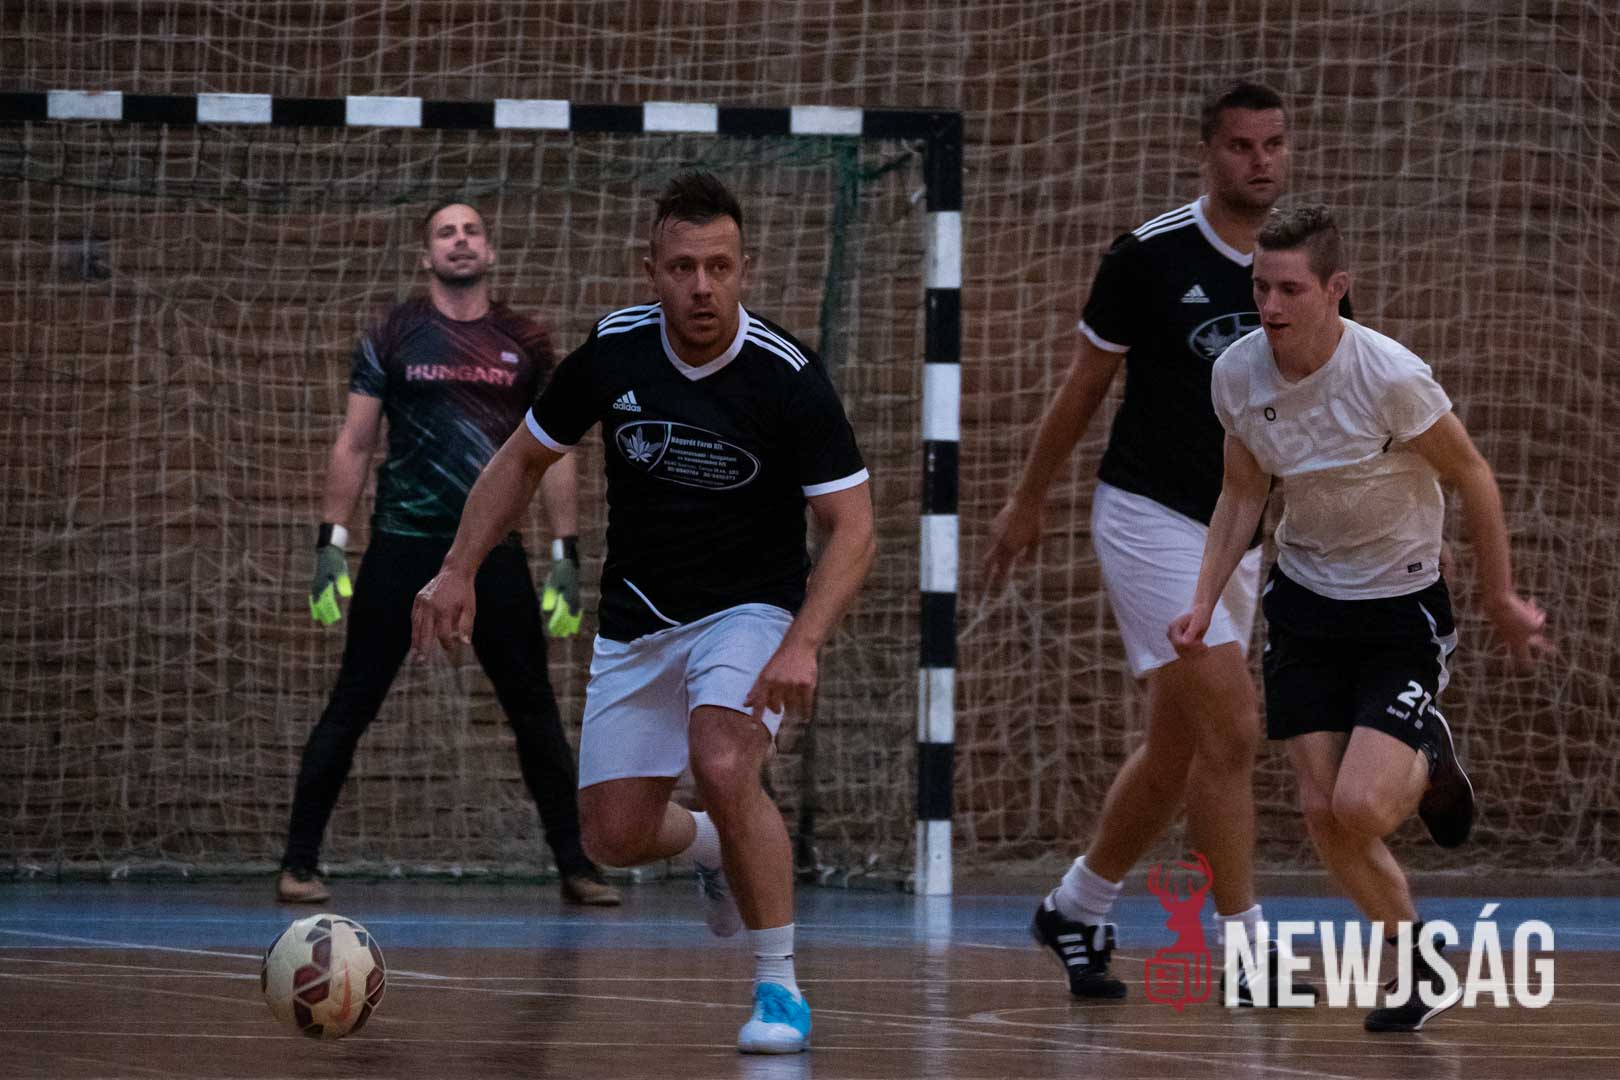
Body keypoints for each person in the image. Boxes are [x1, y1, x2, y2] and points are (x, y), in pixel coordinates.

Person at [412, 170, 875, 1055]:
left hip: (751, 609)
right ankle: (711, 846)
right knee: (614, 838)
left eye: (719, 267)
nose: (702, 286)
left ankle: (779, 987)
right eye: (682, 267)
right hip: (640, 617)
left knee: (724, 759)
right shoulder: (614, 353)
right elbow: (521, 460)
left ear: (745, 269)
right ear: (650, 269)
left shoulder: (786, 376)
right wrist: (457, 568)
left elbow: (853, 527)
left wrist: (804, 642)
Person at [1170, 205, 1550, 1031]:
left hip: (1399, 608)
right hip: (1305, 606)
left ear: (1335, 288)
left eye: (1290, 290)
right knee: (1320, 813)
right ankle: (1418, 963)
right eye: (1260, 287)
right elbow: (1242, 490)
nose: (1270, 306)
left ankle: (1428, 746)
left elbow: (1474, 476)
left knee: (1360, 808)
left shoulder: (1389, 376)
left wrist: (1499, 597)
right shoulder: (1236, 374)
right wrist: (1203, 599)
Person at [984, 81, 1316, 1002]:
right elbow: (1083, 386)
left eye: (1274, 143)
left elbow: (1328, 402)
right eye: (1241, 145)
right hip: (1149, 518)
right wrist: (1026, 500)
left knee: (1178, 749)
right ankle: (1246, 954)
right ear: (1208, 152)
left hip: (1240, 530)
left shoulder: (1301, 266)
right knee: (1234, 727)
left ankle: (1076, 906)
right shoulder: (1149, 256)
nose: (1260, 160)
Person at [277, 200, 620, 909]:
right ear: (426, 255)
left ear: (489, 251)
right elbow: (355, 443)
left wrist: (566, 552)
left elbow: (555, 452)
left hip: (492, 555)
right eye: (445, 232)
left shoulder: (527, 342)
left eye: (471, 231)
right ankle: (298, 864)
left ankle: (578, 867)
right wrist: (330, 542)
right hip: (402, 549)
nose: (459, 241)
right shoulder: (392, 335)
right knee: (352, 701)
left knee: (534, 710)